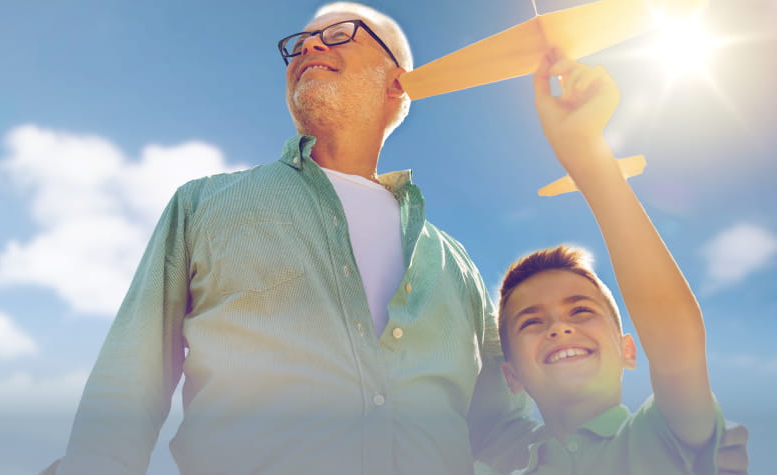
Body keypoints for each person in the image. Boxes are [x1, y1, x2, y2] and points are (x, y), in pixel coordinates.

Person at [47, 4, 748, 475]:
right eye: (299, 42)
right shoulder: (205, 205)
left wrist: (672, 446)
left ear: (397, 85)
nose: (309, 46)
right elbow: (127, 386)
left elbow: (501, 434)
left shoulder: (458, 268)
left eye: (340, 34)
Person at [494, 51, 730, 474]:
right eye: (530, 322)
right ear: (512, 377)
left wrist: (586, 154)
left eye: (581, 311)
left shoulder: (663, 438)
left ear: (627, 350)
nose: (559, 328)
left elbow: (677, 342)